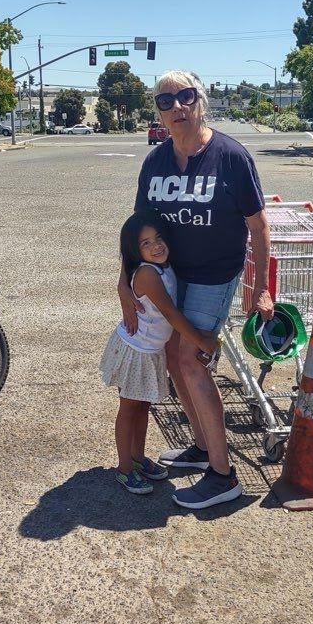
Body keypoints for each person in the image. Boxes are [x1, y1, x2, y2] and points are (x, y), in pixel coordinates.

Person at [123, 70, 273, 510]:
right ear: (159, 113)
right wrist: (123, 284)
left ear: (200, 101)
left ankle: (223, 476)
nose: (177, 108)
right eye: (165, 102)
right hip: (169, 275)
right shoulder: (156, 162)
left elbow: (259, 228)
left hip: (213, 275)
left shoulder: (230, 156)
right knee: (173, 356)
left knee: (189, 358)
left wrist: (261, 289)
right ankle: (203, 446)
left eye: (185, 97)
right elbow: (136, 231)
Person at [101, 212, 220, 495]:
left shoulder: (164, 267)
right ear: (134, 250)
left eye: (158, 238)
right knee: (129, 408)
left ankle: (139, 458)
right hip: (135, 351)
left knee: (143, 405)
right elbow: (171, 313)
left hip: (150, 350)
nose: (156, 246)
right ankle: (124, 468)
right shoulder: (146, 273)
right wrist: (202, 341)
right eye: (145, 243)